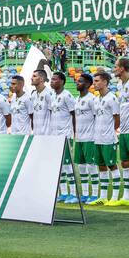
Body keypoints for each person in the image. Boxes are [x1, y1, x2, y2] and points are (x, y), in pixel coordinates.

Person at [90, 71, 122, 205]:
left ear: (105, 82)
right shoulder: (96, 99)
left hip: (108, 138)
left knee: (112, 165)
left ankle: (114, 197)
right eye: (94, 80)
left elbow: (117, 119)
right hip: (97, 138)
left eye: (97, 81)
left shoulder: (112, 98)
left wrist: (110, 131)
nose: (94, 83)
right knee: (101, 166)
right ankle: (103, 197)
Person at [48, 71, 78, 202]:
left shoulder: (67, 96)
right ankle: (64, 192)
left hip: (65, 135)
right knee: (58, 166)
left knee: (67, 165)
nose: (51, 81)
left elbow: (74, 115)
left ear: (61, 81)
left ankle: (74, 194)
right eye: (51, 79)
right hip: (54, 135)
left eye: (54, 79)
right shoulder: (53, 96)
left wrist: (74, 132)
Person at [113, 58, 129, 205]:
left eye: (116, 66)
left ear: (123, 68)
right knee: (124, 162)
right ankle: (127, 197)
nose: (115, 69)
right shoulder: (119, 84)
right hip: (123, 129)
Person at [72, 73, 98, 202]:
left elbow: (96, 117)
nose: (77, 83)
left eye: (80, 81)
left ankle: (94, 195)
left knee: (91, 166)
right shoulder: (77, 99)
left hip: (90, 138)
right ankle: (84, 194)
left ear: (88, 84)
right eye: (77, 81)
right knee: (81, 167)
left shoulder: (92, 99)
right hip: (80, 138)